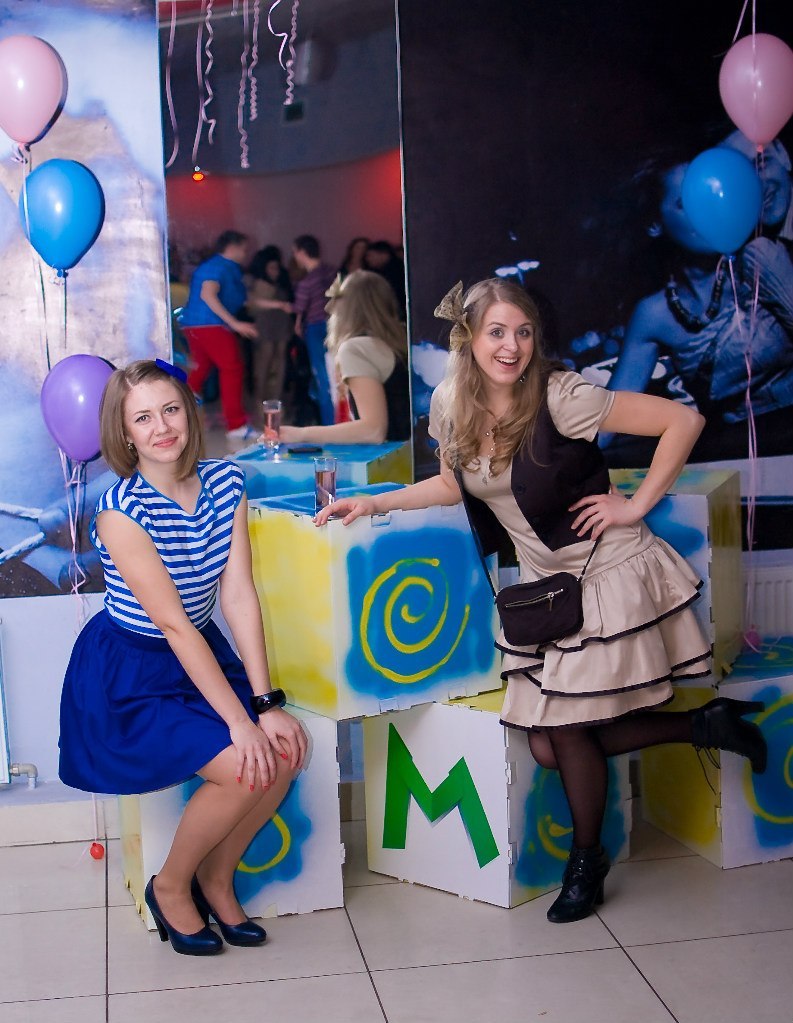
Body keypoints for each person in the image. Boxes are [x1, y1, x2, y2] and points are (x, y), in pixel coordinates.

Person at [316, 278, 767, 924]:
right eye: (496, 332)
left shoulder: (562, 396)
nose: (512, 346)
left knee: (563, 732)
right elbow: (452, 485)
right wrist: (374, 502)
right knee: (549, 746)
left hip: (604, 572)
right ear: (469, 338)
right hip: (548, 589)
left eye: (523, 332)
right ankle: (703, 725)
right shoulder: (449, 403)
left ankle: (586, 862)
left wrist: (634, 505)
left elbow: (683, 420)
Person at [58, 358, 307, 955]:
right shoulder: (120, 510)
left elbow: (238, 594)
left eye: (170, 409)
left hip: (199, 651)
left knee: (281, 754)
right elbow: (171, 624)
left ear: (190, 414)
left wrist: (266, 703)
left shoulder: (226, 482)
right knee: (242, 763)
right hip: (133, 669)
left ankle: (217, 879)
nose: (161, 427)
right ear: (124, 433)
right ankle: (170, 886)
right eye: (143, 418)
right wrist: (240, 722)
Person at [603, 157, 793, 461]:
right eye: (686, 204)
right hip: (738, 459)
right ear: (654, 225)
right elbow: (610, 420)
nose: (708, 212)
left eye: (709, 198)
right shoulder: (653, 315)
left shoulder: (760, 259)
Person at [279, 270, 410, 445]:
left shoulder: (356, 348)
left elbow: (373, 431)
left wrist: (301, 434)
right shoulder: (402, 339)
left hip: (395, 457)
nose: (329, 308)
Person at [179, 230, 259, 443]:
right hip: (209, 325)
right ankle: (235, 424)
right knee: (232, 368)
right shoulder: (218, 266)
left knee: (201, 369)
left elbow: (244, 300)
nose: (246, 253)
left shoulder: (224, 267)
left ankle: (181, 411)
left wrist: (278, 305)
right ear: (232, 247)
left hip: (197, 325)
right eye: (244, 248)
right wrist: (235, 324)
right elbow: (207, 294)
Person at [289, 235, 337, 426]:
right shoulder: (333, 272)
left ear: (302, 252)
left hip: (317, 328)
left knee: (322, 377)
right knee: (338, 375)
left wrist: (296, 319)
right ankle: (342, 420)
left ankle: (329, 424)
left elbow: (299, 308)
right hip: (338, 325)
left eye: (295, 252)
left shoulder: (307, 281)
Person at [247, 245, 294, 409]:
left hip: (281, 324)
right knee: (264, 361)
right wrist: (279, 304)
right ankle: (261, 400)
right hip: (265, 324)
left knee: (280, 361)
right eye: (272, 267)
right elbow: (253, 304)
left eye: (277, 267)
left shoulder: (281, 282)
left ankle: (275, 398)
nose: (275, 271)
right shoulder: (259, 283)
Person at [365, 239, 407, 318]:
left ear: (383, 254)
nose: (368, 259)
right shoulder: (377, 271)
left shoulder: (397, 270)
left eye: (370, 255)